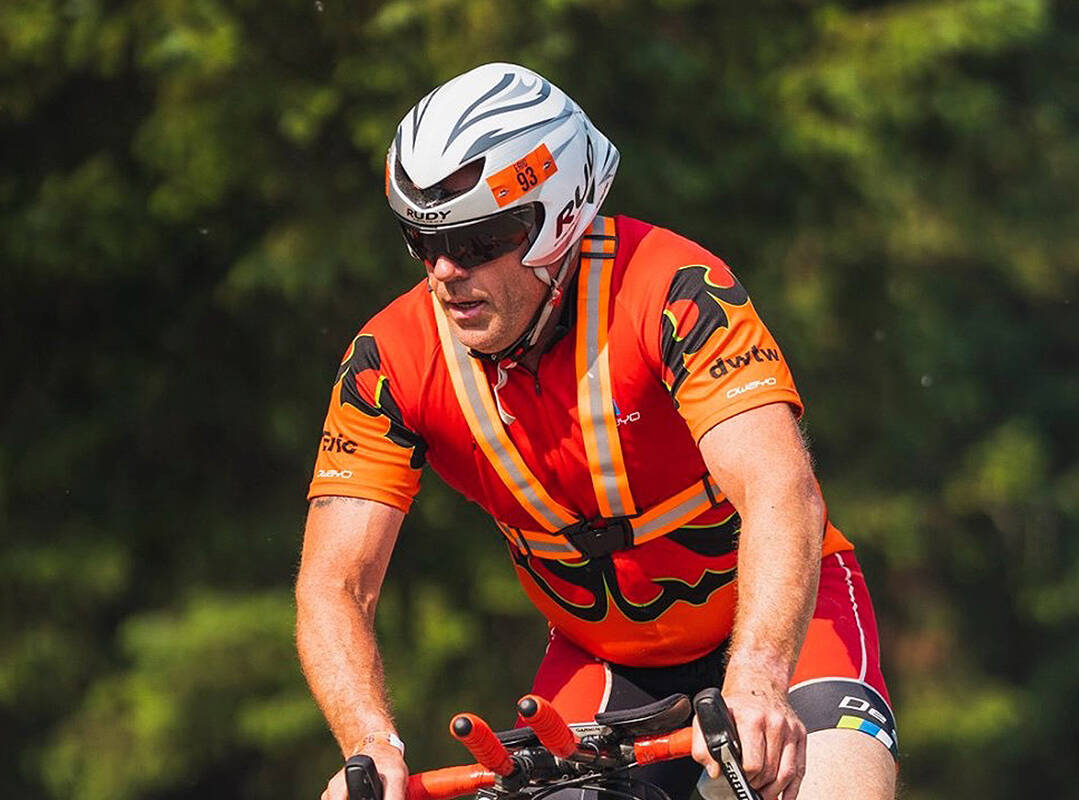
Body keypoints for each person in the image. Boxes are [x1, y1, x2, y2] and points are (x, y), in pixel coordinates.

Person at [296, 62, 898, 800]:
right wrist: (369, 743)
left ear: (560, 216)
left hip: (792, 630)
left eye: (480, 239)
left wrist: (759, 680)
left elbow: (782, 489)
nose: (445, 271)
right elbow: (335, 584)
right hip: (604, 662)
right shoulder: (388, 361)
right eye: (422, 240)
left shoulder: (673, 288)